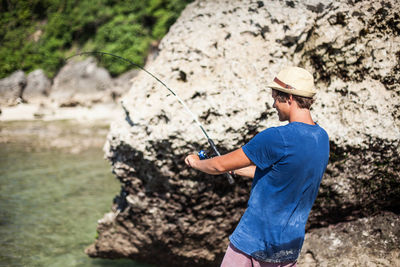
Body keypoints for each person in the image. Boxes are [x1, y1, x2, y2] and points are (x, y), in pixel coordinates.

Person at [185, 67, 330, 267]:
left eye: (275, 98)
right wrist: (234, 169)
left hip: (253, 241)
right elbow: (281, 175)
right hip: (288, 247)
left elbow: (217, 165)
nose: (273, 105)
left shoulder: (277, 137)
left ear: (288, 97)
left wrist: (196, 162)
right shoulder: (321, 138)